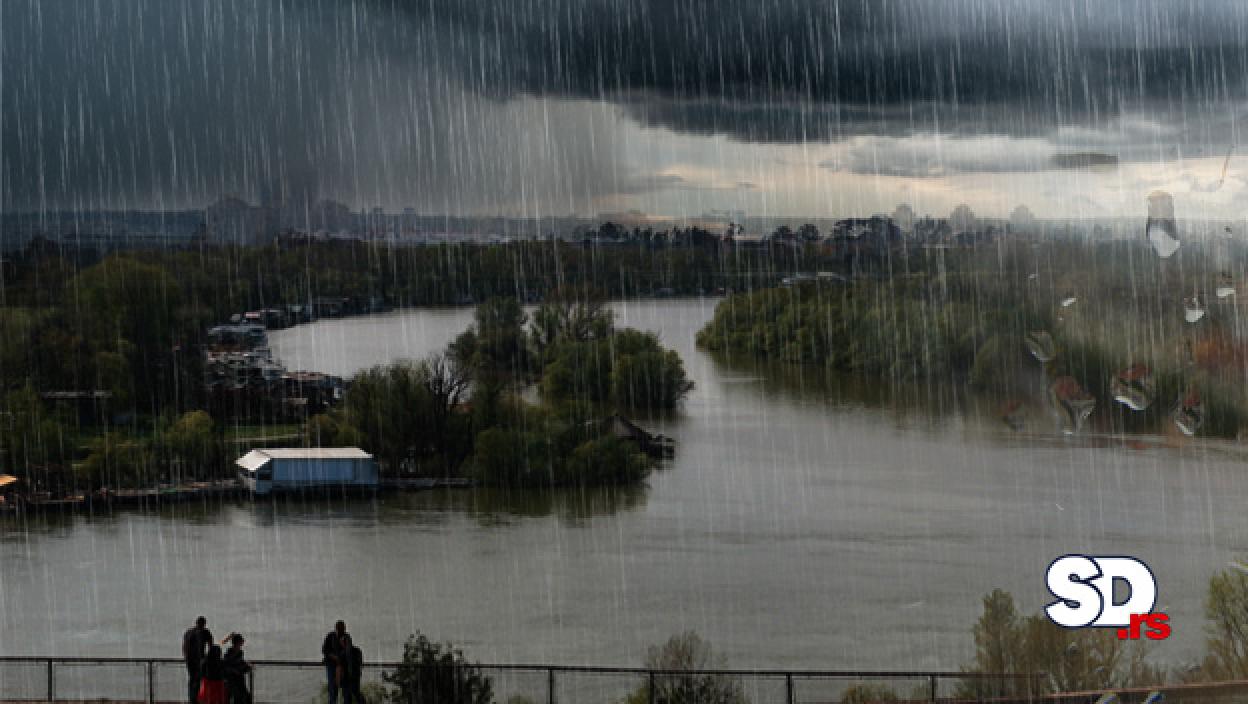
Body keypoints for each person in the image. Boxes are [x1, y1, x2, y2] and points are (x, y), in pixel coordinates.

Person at [182, 617, 214, 704]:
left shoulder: (189, 632)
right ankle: (196, 698)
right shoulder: (205, 632)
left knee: (193, 679)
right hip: (199, 660)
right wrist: (207, 657)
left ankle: (192, 699)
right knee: (198, 679)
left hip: (190, 660)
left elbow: (185, 646)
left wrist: (186, 657)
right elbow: (211, 645)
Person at [321, 620, 349, 704]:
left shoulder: (346, 637)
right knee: (333, 689)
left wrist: (343, 646)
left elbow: (349, 651)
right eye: (340, 629)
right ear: (336, 628)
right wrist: (334, 657)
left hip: (343, 666)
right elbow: (324, 650)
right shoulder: (330, 636)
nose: (341, 631)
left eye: (342, 629)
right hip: (332, 666)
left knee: (345, 690)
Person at [222, 633, 252, 704]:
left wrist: (246, 665)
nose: (242, 642)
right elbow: (225, 665)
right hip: (231, 680)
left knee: (244, 697)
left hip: (239, 679)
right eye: (241, 641)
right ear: (238, 642)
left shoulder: (240, 652)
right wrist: (234, 670)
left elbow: (240, 662)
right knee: (237, 697)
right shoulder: (229, 653)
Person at [339, 634, 364, 704]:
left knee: (355, 693)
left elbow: (359, 663)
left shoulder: (356, 651)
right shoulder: (342, 653)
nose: (342, 644)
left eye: (343, 642)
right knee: (347, 696)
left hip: (353, 677)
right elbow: (340, 666)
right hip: (347, 678)